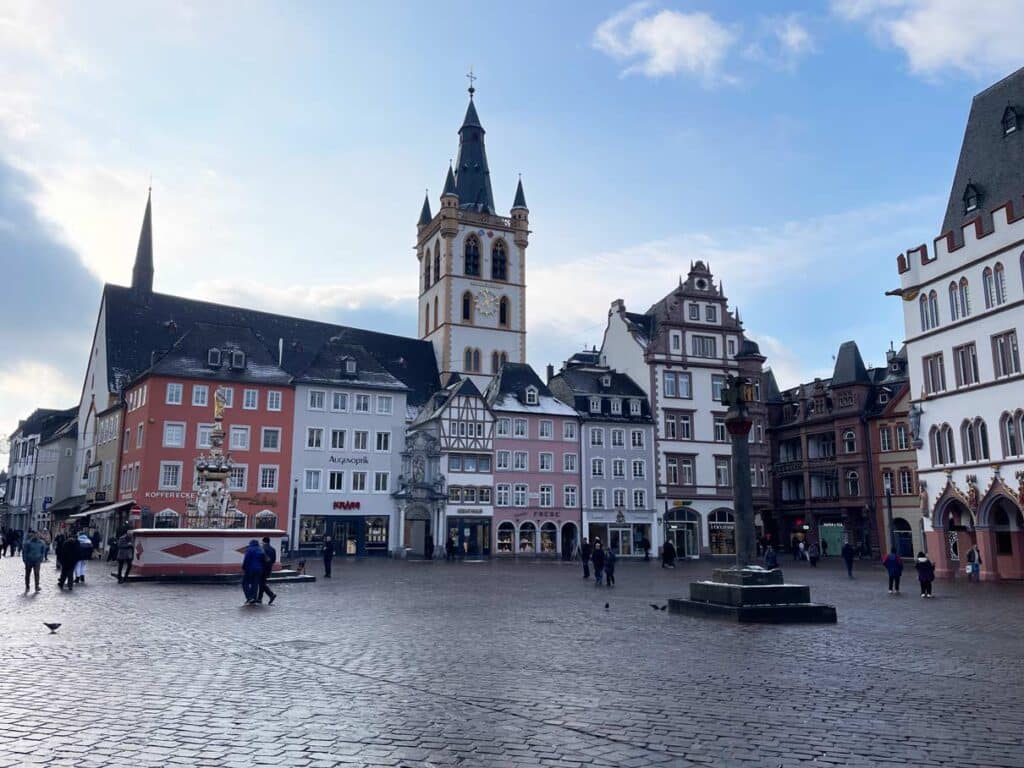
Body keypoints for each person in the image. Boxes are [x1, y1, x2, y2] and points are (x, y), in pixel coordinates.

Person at [241, 539, 264, 605]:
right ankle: (254, 598)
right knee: (255, 583)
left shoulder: (250, 549)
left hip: (250, 569)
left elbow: (246, 559)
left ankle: (249, 598)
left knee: (244, 583)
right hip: (259, 569)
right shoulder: (261, 549)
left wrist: (244, 567)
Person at [257, 537, 277, 605]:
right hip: (268, 568)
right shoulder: (273, 549)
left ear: (263, 541)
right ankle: (259, 599)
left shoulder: (262, 549)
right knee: (262, 583)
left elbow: (260, 559)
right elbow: (274, 560)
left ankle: (271, 595)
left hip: (262, 568)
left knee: (261, 583)